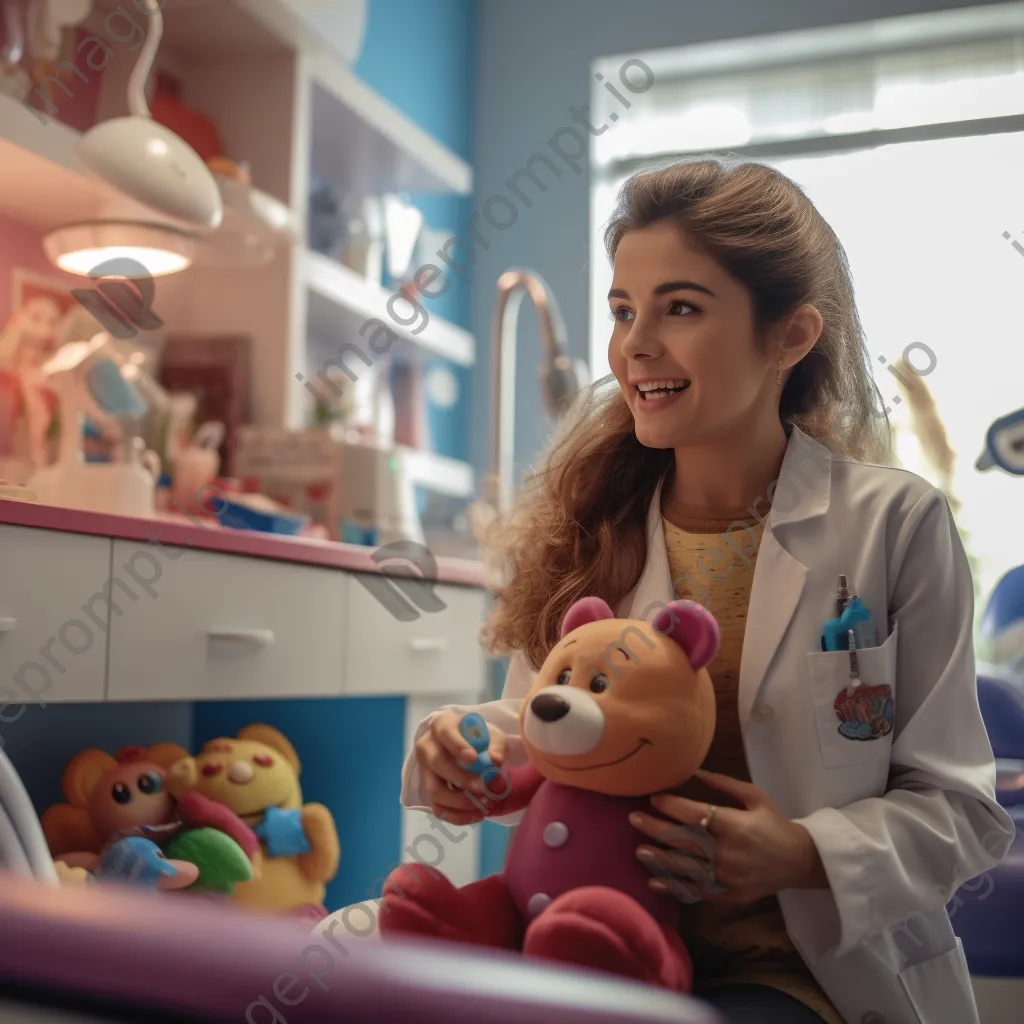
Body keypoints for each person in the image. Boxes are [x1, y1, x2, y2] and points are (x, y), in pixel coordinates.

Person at [400, 157, 1015, 1024]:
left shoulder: (893, 524)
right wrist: (465, 753)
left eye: (679, 308)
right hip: (591, 943)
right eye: (623, 310)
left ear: (791, 336)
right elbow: (542, 739)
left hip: (803, 969)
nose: (634, 344)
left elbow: (962, 810)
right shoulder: (591, 521)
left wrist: (801, 853)